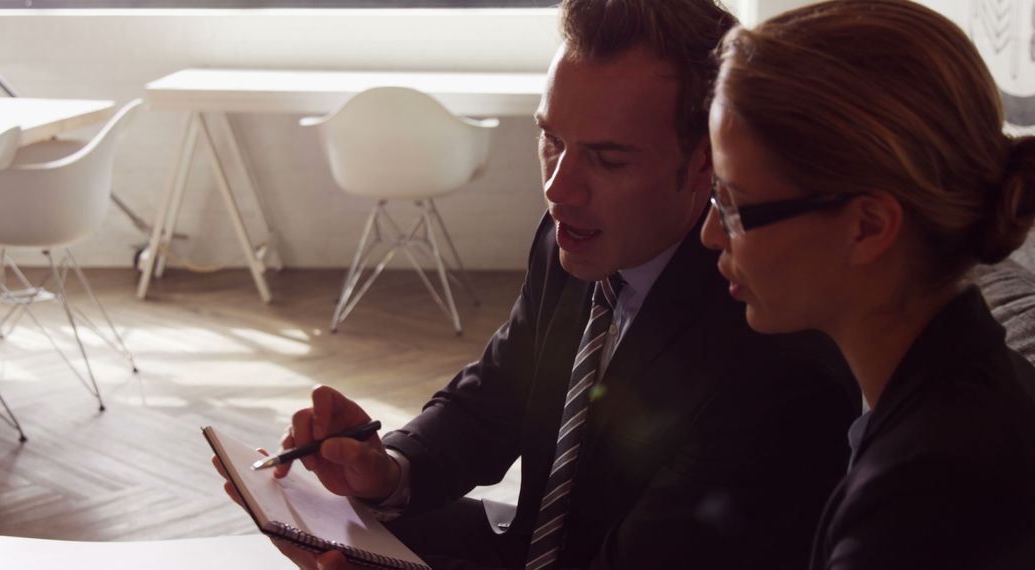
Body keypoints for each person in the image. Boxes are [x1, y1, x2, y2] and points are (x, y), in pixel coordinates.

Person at [217, 1, 859, 568]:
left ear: (704, 163)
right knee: (350, 523)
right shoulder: (572, 240)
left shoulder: (773, 351)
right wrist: (385, 469)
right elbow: (500, 390)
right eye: (551, 140)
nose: (559, 189)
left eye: (608, 159)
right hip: (540, 543)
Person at [700, 1, 1035, 568]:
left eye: (735, 206)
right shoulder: (947, 391)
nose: (712, 233)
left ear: (868, 226)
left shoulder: (924, 501)